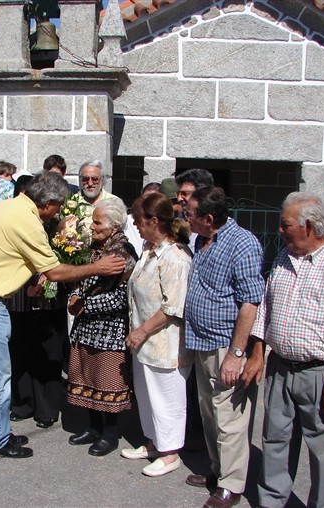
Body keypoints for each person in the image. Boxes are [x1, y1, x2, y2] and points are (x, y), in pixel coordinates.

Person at [0, 172, 126, 459]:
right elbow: (55, 271)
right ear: (48, 202)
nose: (58, 214)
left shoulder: (3, 207)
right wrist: (98, 268)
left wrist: (27, 276)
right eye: (58, 208)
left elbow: (4, 252)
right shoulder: (28, 222)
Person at [252, 192, 324, 508]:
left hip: (319, 373)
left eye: (285, 225)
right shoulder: (286, 258)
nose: (280, 230)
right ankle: (272, 500)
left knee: (322, 449)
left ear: (309, 225)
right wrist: (259, 352)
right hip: (280, 368)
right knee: (275, 440)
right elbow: (266, 309)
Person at [183, 186, 265, 508]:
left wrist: (236, 354)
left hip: (225, 347)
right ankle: (218, 471)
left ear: (208, 218)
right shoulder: (203, 239)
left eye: (190, 214)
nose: (185, 218)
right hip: (201, 342)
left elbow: (250, 303)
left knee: (229, 417)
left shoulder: (242, 243)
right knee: (209, 412)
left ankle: (232, 485)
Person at [122, 192, 192, 477]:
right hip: (145, 344)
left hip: (165, 344)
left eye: (139, 221)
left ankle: (170, 452)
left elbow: (173, 308)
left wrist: (141, 331)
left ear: (154, 221)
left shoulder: (175, 258)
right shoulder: (150, 250)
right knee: (148, 396)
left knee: (167, 399)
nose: (136, 226)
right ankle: (153, 443)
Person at [66, 198, 137, 457]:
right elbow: (79, 280)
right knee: (87, 378)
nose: (92, 227)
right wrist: (73, 299)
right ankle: (93, 428)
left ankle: (110, 434)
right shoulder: (94, 249)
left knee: (107, 381)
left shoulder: (123, 254)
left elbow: (121, 297)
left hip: (109, 330)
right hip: (86, 328)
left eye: (97, 222)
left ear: (114, 227)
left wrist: (87, 305)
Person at [8, 173, 67, 429]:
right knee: (20, 352)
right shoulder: (15, 222)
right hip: (19, 296)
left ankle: (47, 407)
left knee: (48, 352)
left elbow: (63, 258)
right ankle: (23, 403)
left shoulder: (58, 225)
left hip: (49, 298)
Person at [175, 168, 214, 452]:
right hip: (188, 328)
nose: (180, 201)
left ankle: (203, 446)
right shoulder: (193, 235)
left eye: (186, 196)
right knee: (191, 390)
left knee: (212, 399)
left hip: (214, 336)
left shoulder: (205, 235)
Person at [70, 160, 118, 238]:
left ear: (102, 180)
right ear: (80, 180)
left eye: (95, 179)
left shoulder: (114, 202)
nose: (90, 183)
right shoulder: (71, 202)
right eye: (85, 179)